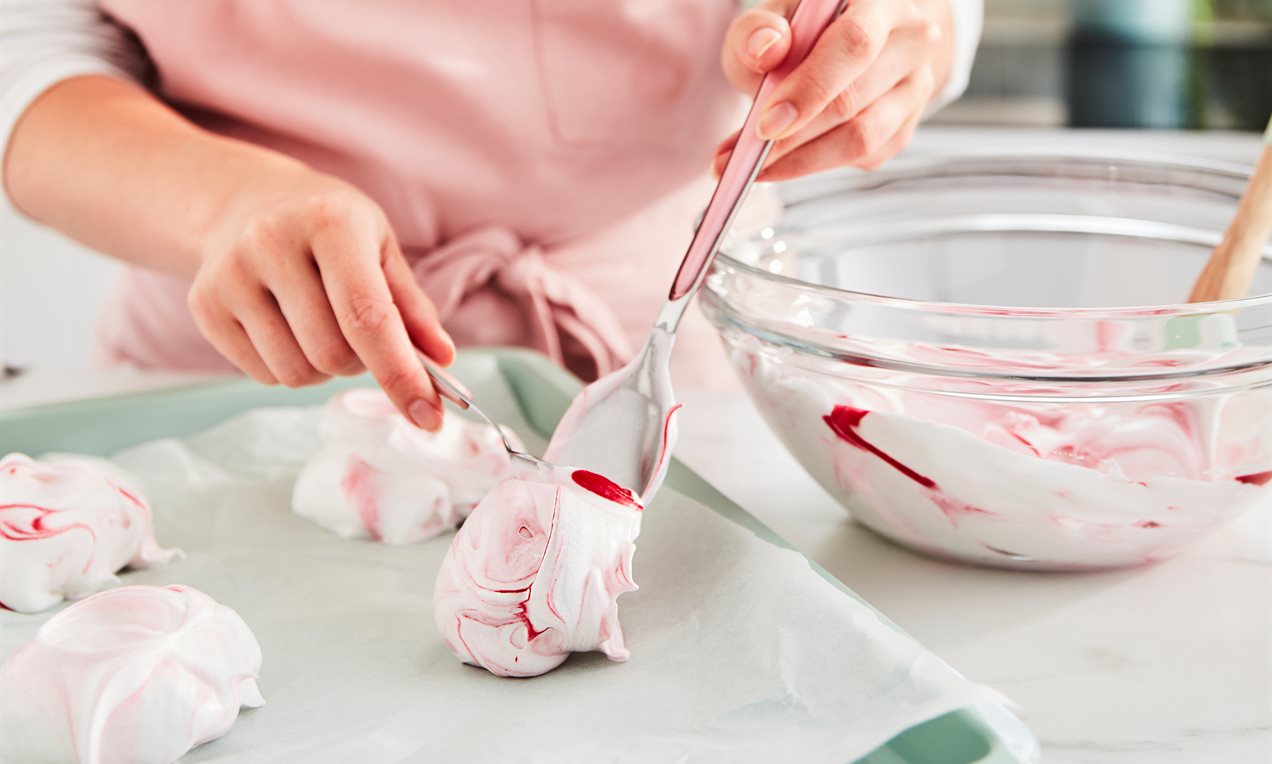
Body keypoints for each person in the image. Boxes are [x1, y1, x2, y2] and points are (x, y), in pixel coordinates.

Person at [1, 0, 982, 430]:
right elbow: (25, 49)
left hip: (672, 390)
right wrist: (222, 207)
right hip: (229, 391)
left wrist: (908, 31)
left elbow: (899, 14)